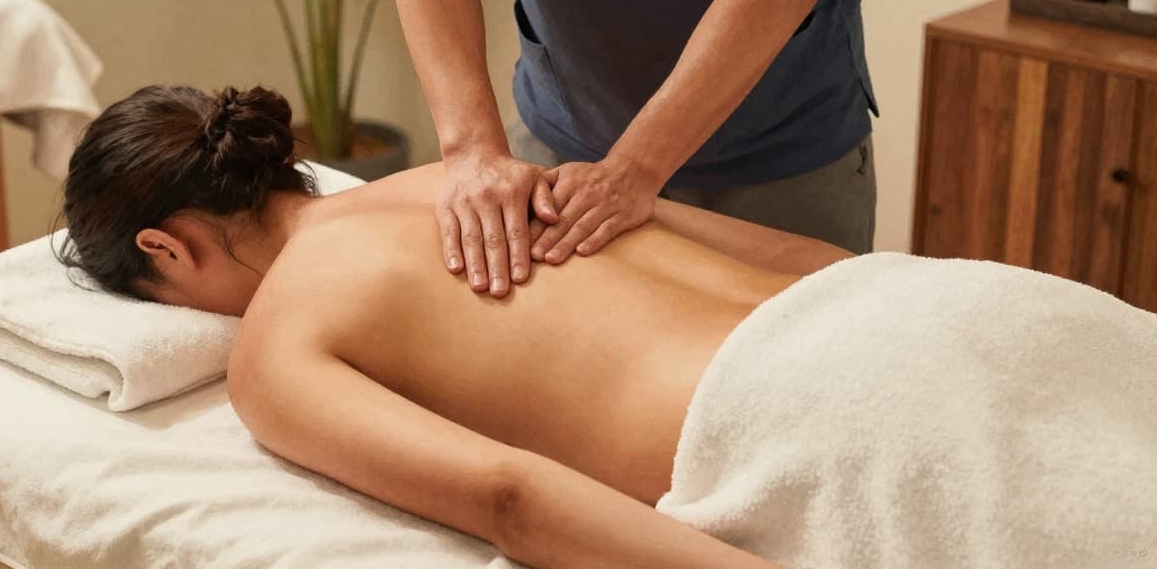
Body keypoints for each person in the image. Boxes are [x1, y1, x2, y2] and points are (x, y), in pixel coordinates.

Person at [59, 84, 851, 569]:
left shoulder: (273, 352)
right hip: (898, 306)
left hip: (822, 434)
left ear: (163, 248)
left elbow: (512, 500)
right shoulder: (464, 178)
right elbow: (789, 252)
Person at [390, 0, 882, 299]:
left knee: (791, 364)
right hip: (568, 132)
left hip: (778, 145)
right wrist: (471, 149)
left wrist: (636, 166)